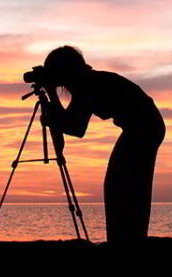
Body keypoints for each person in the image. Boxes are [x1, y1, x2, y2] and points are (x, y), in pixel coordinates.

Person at [39, 46, 165, 243]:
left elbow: (75, 128)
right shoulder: (86, 81)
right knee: (125, 185)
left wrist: (51, 94)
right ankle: (127, 238)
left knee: (122, 185)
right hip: (144, 126)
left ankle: (125, 240)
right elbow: (72, 124)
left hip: (143, 127)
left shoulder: (86, 84)